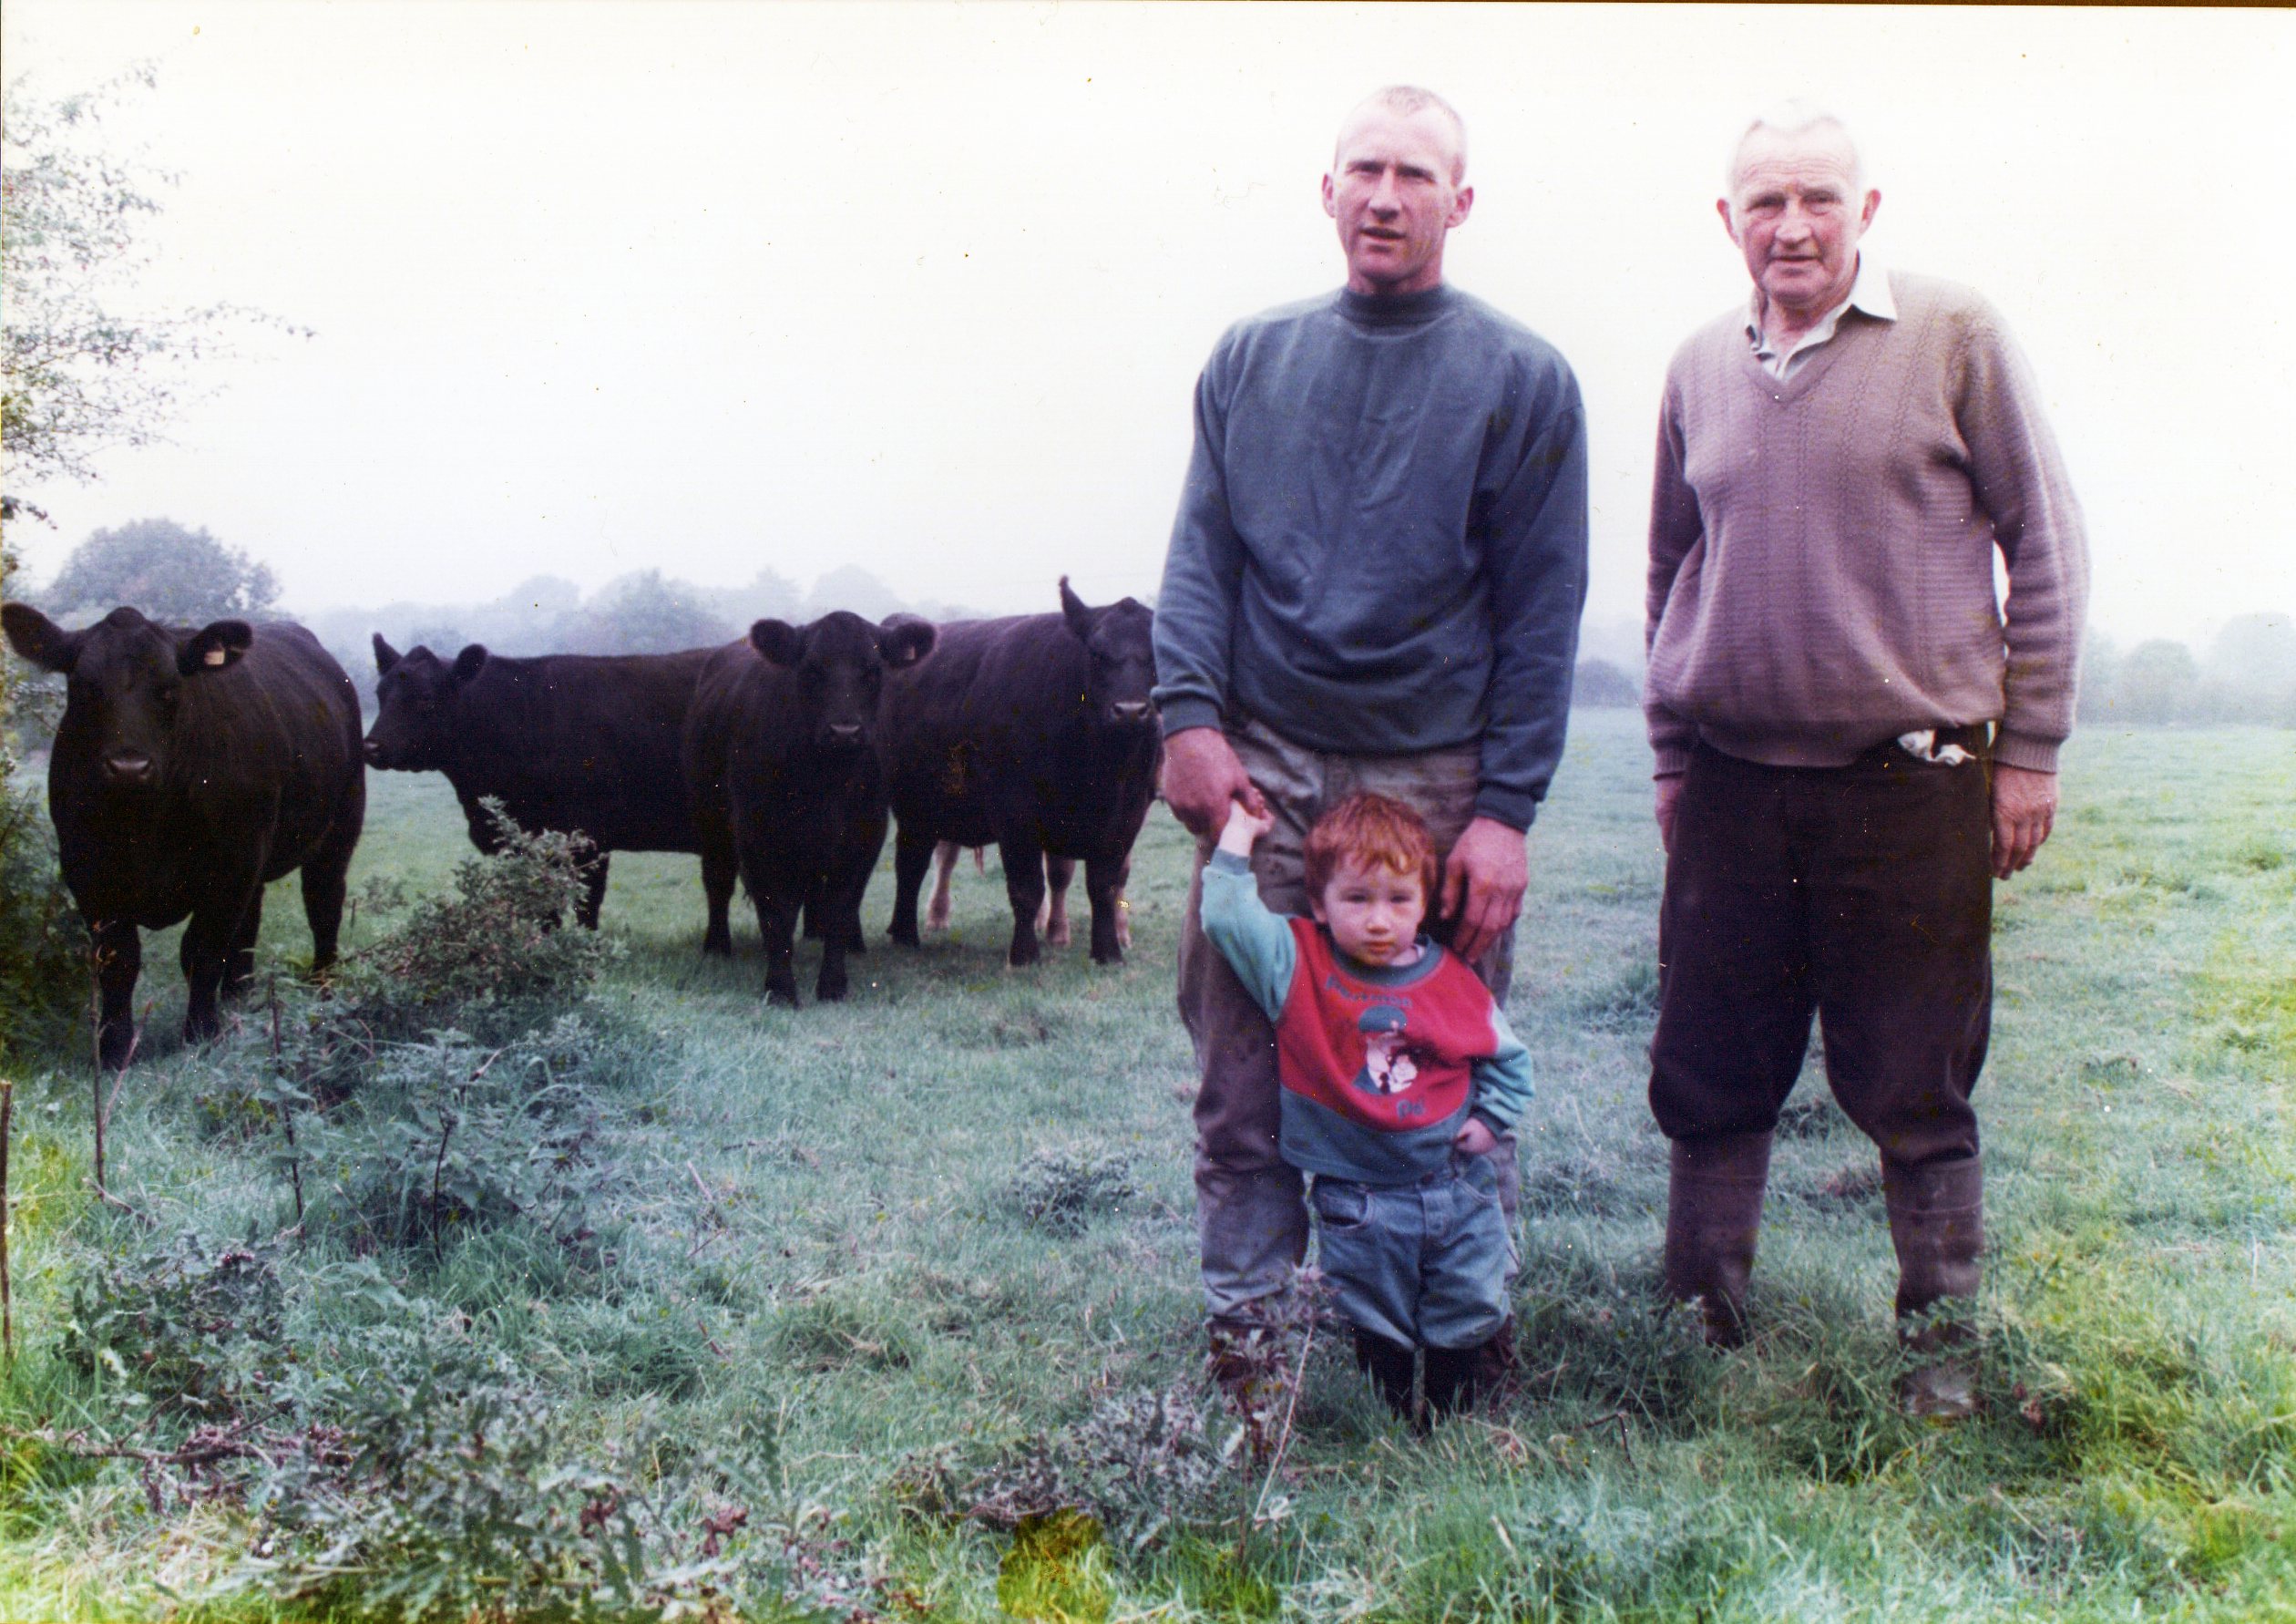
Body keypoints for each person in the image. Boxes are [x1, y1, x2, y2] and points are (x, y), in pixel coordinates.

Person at [1643, 104, 2088, 1416]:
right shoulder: (1695, 366)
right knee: (1710, 1064)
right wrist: (1672, 756)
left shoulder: (1955, 335)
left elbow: (2047, 548)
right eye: (1764, 202)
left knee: (1915, 1072)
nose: (1793, 226)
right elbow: (1673, 566)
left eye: (1819, 199)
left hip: (1911, 779)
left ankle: (1939, 1350)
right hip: (1731, 782)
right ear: (1727, 221)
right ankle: (1697, 1330)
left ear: (1868, 210)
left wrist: (2033, 752)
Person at [1153, 85, 1588, 1395]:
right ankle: (1252, 1341)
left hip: (1438, 776)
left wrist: (1505, 810)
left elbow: (1542, 609)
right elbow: (1199, 561)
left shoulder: (1522, 378)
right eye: (1363, 171)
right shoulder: (1248, 358)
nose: (1384, 196)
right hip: (1271, 766)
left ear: (1461, 200)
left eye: (1414, 174)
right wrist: (1188, 721)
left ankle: (1453, 1341)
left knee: (1441, 1060)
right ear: (1326, 189)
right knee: (1240, 1059)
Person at [1199, 791, 1534, 1423]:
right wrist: (1239, 832)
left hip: (1454, 1186)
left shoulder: (1452, 979)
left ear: (1427, 905)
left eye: (1398, 900)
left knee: (1463, 1305)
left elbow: (1510, 1060)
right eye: (1357, 899)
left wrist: (1490, 1121)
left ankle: (1449, 1426)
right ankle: (1380, 1425)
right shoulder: (1295, 961)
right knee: (1369, 1313)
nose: (1379, 921)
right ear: (1319, 904)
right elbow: (1225, 917)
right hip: (1355, 1199)